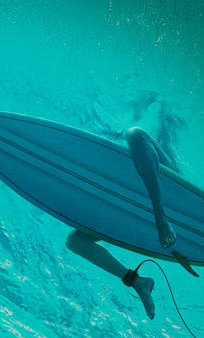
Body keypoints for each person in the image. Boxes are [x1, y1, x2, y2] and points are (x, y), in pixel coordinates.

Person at [66, 100, 181, 319]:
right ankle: (137, 282)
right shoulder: (116, 133)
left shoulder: (155, 116)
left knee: (135, 134)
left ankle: (160, 217)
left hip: (167, 182)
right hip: (130, 195)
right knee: (74, 241)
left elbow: (141, 138)